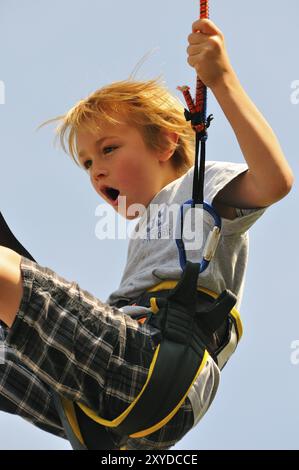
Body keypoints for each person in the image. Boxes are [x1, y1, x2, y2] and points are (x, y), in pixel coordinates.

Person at [0, 18, 293, 450]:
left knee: (7, 272)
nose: (96, 169)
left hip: (158, 366)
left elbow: (275, 181)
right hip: (118, 419)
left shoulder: (197, 189)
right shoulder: (153, 227)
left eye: (108, 149)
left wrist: (223, 80)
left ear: (165, 144)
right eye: (86, 164)